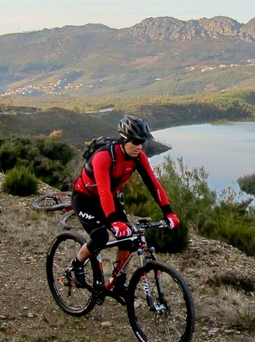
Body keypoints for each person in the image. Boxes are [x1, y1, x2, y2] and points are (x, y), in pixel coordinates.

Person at [70, 114, 179, 293]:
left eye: (142, 142)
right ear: (124, 139)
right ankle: (77, 265)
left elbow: (154, 184)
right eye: (135, 141)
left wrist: (168, 212)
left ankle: (118, 280)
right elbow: (103, 190)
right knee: (100, 237)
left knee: (127, 240)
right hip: (85, 198)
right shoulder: (103, 157)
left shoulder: (138, 157)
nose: (139, 146)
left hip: (108, 198)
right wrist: (114, 221)